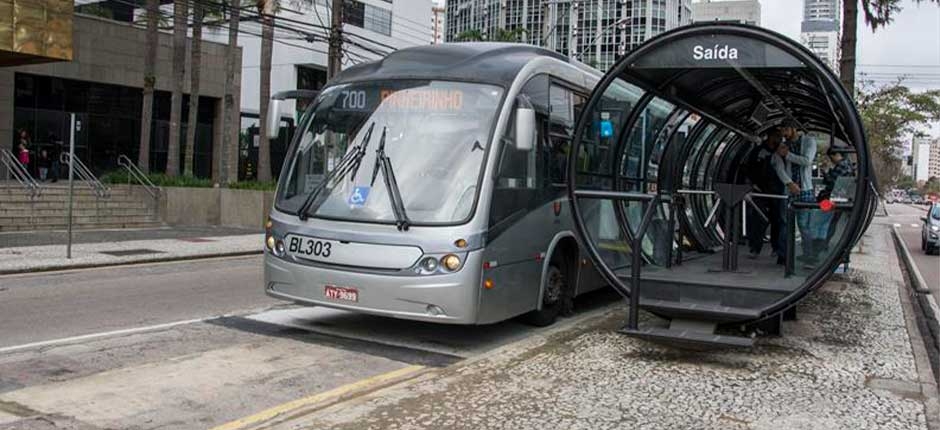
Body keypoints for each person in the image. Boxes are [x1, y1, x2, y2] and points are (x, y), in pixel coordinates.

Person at [776, 122, 818, 265]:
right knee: (785, 223)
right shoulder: (782, 144)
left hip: (805, 190)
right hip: (789, 190)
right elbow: (778, 165)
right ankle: (784, 256)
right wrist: (789, 183)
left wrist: (787, 154)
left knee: (804, 225)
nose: (784, 134)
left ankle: (809, 256)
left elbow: (807, 161)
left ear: (795, 128)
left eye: (786, 129)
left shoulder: (808, 141)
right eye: (782, 130)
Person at [744, 130, 785, 261]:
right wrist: (752, 184)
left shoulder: (782, 151)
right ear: (770, 136)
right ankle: (755, 247)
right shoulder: (758, 151)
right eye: (776, 136)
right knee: (759, 219)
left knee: (777, 219)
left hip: (777, 190)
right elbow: (749, 168)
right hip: (760, 190)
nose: (778, 139)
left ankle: (776, 247)